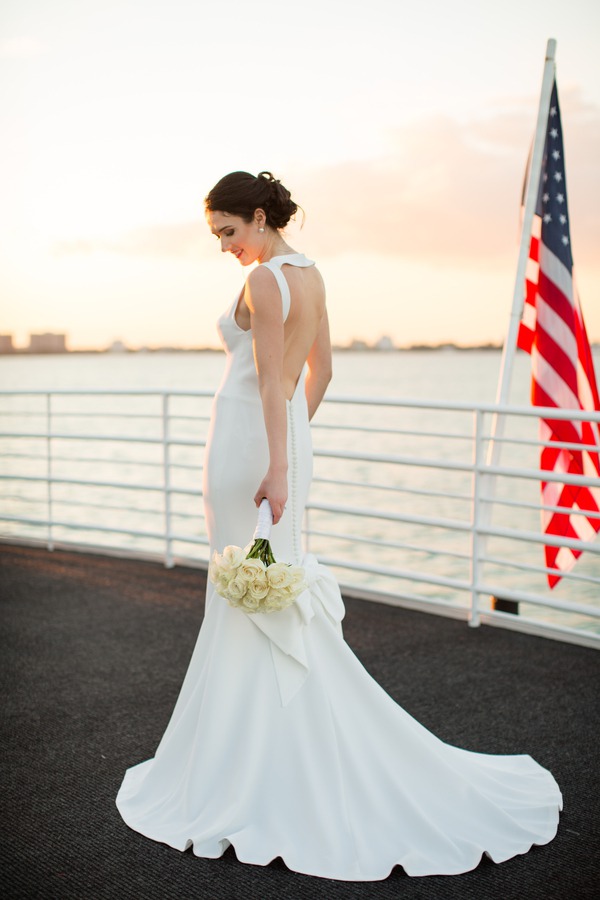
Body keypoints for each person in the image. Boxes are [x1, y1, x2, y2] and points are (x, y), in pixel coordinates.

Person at [116, 171, 562, 881]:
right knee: (269, 590)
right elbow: (320, 376)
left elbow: (266, 380)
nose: (225, 248)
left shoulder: (266, 282)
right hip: (281, 443)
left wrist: (273, 463)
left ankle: (241, 762)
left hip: (246, 446)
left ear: (259, 218)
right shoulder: (313, 274)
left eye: (228, 232)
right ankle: (272, 747)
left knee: (245, 591)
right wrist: (292, 448)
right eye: (217, 237)